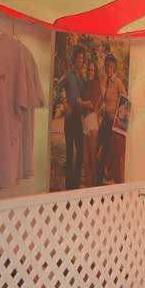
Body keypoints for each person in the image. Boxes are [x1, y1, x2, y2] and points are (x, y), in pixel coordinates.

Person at [97, 54, 127, 185]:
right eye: (106, 66)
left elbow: (125, 103)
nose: (108, 69)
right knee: (99, 148)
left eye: (110, 66)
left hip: (112, 124)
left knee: (109, 151)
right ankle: (98, 181)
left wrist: (118, 119)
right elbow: (101, 99)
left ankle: (108, 179)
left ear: (114, 67)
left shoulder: (118, 83)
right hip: (104, 121)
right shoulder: (105, 81)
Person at [62, 46, 86, 189]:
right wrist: (65, 103)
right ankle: (68, 186)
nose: (80, 60)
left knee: (81, 151)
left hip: (79, 119)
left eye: (82, 58)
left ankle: (75, 184)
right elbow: (57, 89)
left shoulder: (83, 79)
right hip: (69, 118)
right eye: (78, 57)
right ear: (74, 59)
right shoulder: (68, 75)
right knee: (70, 152)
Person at [79, 61, 102, 187]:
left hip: (92, 121)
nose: (90, 72)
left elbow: (92, 104)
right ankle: (87, 188)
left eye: (92, 70)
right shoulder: (84, 85)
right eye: (88, 69)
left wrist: (81, 102)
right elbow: (82, 106)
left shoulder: (96, 85)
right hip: (84, 122)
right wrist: (82, 103)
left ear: (95, 72)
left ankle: (94, 188)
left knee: (93, 157)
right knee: (85, 159)